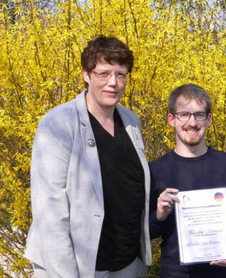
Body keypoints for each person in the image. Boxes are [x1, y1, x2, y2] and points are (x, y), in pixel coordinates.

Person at [24, 36, 152, 278]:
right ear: (87, 75)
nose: (113, 83)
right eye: (104, 73)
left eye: (121, 74)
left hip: (126, 263)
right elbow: (49, 210)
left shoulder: (131, 121)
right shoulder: (58, 123)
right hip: (78, 266)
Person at [149, 83, 226, 278]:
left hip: (224, 273)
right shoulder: (155, 170)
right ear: (171, 119)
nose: (192, 122)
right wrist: (160, 215)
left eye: (199, 115)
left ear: (209, 119)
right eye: (184, 115)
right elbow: (146, 232)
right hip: (175, 273)